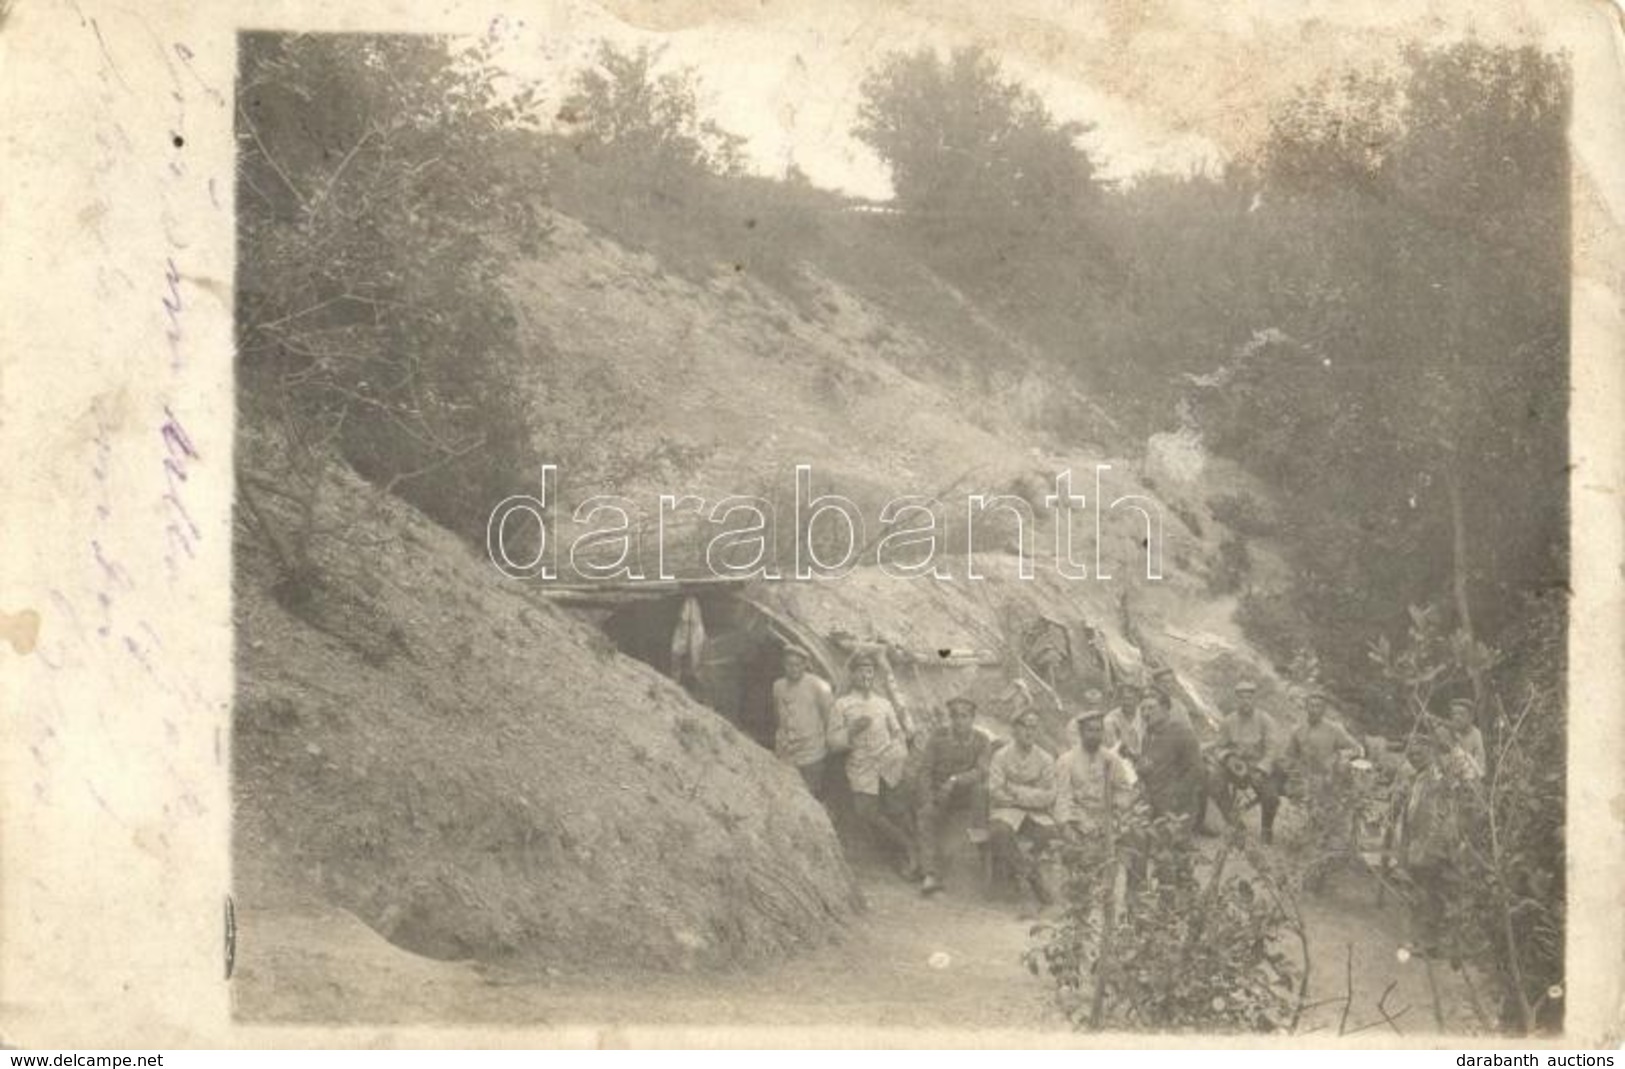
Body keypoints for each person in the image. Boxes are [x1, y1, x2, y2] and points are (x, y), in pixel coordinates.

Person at [828, 651, 918, 878]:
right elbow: (832, 742)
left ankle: (911, 859)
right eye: (860, 671)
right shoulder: (842, 705)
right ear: (853, 675)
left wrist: (897, 753)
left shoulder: (884, 704)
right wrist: (851, 730)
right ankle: (907, 845)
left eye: (869, 671)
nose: (865, 676)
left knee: (898, 810)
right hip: (861, 766)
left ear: (874, 675)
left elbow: (898, 732)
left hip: (888, 762)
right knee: (866, 812)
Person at [914, 695, 993, 895]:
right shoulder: (938, 737)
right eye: (955, 716)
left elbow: (982, 771)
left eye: (965, 716)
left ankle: (980, 856)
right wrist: (926, 799)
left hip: (965, 799)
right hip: (940, 795)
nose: (960, 721)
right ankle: (929, 875)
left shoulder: (981, 741)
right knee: (925, 818)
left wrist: (955, 780)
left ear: (972, 718)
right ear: (950, 718)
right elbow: (925, 769)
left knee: (980, 790)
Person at [987, 708, 1058, 913]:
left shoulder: (1045, 758)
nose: (1029, 731)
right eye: (1024, 726)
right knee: (999, 831)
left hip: (1034, 813)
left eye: (1034, 727)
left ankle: (1024, 872)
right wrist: (1031, 792)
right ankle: (1031, 877)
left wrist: (1016, 792)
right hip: (1006, 811)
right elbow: (995, 790)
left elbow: (1049, 795)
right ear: (1015, 730)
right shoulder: (1001, 756)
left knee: (1049, 833)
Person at [1402, 732, 1467, 957]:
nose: (1414, 757)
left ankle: (1428, 942)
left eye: (1420, 753)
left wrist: (1450, 746)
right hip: (1420, 841)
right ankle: (1426, 941)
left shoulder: (1438, 776)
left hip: (1434, 843)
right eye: (1411, 754)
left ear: (1431, 752)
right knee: (1423, 891)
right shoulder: (1419, 777)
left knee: (1430, 892)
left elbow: (1456, 775)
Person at [1215, 680, 1286, 843]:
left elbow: (1272, 749)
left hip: (1260, 767)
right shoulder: (1228, 721)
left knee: (1270, 797)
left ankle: (1267, 828)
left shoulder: (1265, 720)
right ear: (1236, 700)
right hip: (1236, 766)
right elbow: (1219, 747)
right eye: (1241, 698)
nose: (1245, 702)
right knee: (1214, 782)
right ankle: (1235, 822)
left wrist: (1261, 769)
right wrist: (1228, 758)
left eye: (1249, 698)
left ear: (1254, 700)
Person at [1054, 710, 1136, 841]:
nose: (1095, 735)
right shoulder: (1066, 761)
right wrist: (1067, 825)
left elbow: (1123, 789)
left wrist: (1118, 808)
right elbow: (1062, 797)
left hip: (1107, 818)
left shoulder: (1111, 759)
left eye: (1098, 730)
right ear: (1081, 733)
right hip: (1078, 820)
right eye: (1090, 730)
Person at [771, 645, 834, 797]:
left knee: (811, 794)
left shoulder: (818, 685)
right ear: (783, 665)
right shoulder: (778, 686)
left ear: (805, 665)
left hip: (812, 753)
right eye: (789, 664)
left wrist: (827, 741)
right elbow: (777, 715)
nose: (793, 669)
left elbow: (829, 717)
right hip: (786, 752)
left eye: (797, 665)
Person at [1137, 690, 1205, 832]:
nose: (1145, 713)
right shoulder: (1148, 735)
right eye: (1142, 709)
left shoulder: (1183, 733)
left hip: (1176, 804)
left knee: (1165, 845)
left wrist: (1176, 797)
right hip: (1153, 798)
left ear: (1166, 708)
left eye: (1151, 708)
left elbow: (1196, 771)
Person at [1102, 684, 1144, 767]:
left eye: (1130, 699)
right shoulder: (1111, 719)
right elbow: (1113, 746)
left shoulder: (1145, 714)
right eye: (1124, 699)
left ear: (1137, 699)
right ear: (1119, 700)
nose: (1127, 702)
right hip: (1121, 761)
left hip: (1145, 759)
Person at [1447, 697, 1486, 779]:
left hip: (1470, 774)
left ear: (1471, 717)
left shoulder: (1475, 734)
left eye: (1461, 714)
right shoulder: (1451, 733)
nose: (1457, 718)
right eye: (1454, 714)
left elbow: (1480, 761)